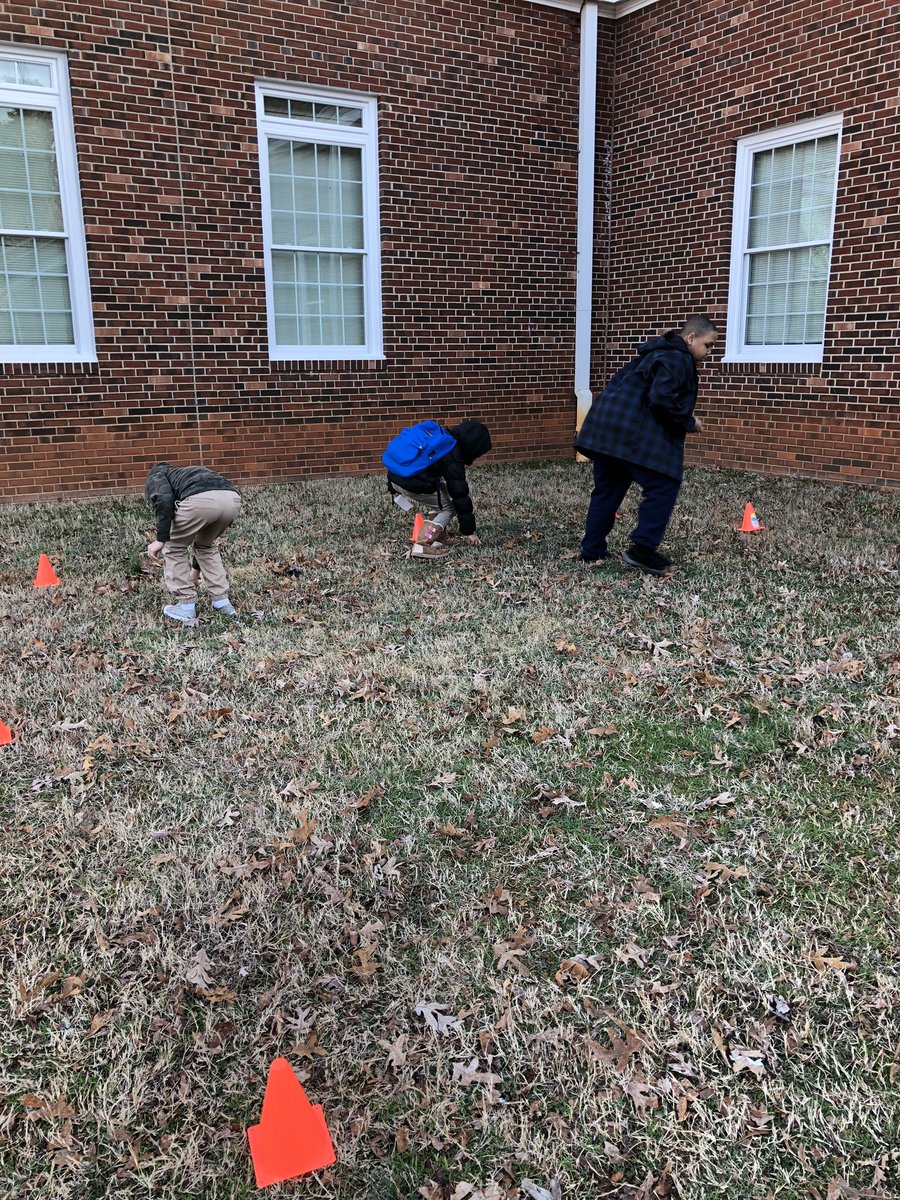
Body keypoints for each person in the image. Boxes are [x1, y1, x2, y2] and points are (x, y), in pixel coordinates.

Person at [575, 315, 718, 575]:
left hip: (607, 430)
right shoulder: (678, 357)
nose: (709, 353)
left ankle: (591, 549)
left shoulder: (652, 353)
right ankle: (642, 549)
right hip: (629, 433)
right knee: (665, 483)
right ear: (692, 338)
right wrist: (688, 421)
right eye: (708, 346)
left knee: (608, 490)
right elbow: (662, 399)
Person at [145, 463, 242, 624]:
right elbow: (200, 541)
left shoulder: (155, 476)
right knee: (206, 544)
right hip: (232, 499)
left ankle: (186, 607)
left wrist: (161, 539)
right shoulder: (185, 473)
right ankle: (222, 602)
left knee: (174, 546)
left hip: (201, 501)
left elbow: (164, 500)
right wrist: (195, 572)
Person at [386, 420, 492, 559]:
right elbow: (459, 494)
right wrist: (468, 531)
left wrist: (391, 486)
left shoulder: (440, 438)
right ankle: (422, 545)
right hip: (411, 482)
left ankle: (438, 538)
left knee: (442, 492)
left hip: (396, 478)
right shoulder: (452, 452)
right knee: (448, 509)